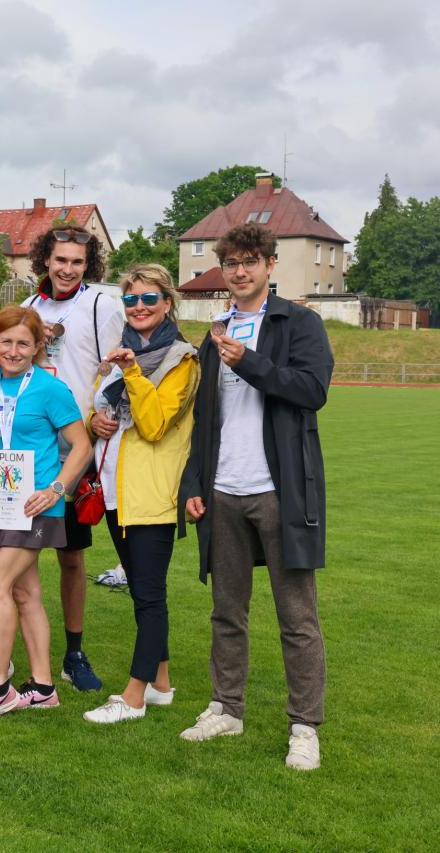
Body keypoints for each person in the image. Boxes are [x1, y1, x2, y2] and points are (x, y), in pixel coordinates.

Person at [179, 224, 333, 771]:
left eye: (250, 261)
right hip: (223, 491)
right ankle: (227, 708)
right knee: (227, 612)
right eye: (232, 263)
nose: (240, 271)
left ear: (270, 265)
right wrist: (194, 484)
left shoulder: (300, 323)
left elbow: (312, 391)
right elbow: (204, 418)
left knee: (297, 617)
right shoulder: (215, 331)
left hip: (280, 491)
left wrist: (250, 362)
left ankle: (304, 726)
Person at [0, 306, 92, 721]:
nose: (13, 351)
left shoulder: (50, 388)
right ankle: (44, 687)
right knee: (25, 593)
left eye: (23, 344)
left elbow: (82, 447)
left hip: (36, 504)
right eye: (6, 342)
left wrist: (56, 490)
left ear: (37, 348)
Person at [81, 264, 199, 723]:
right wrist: (94, 421)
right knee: (142, 593)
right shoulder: (117, 355)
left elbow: (153, 425)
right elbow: (98, 409)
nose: (140, 307)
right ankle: (161, 685)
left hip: (151, 495)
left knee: (149, 596)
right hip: (115, 492)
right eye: (131, 300)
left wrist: (131, 371)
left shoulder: (182, 361)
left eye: (150, 299)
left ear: (168, 303)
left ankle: (132, 697)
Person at [20, 223, 123, 691]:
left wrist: (103, 415)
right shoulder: (28, 307)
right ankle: (2, 650)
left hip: (76, 451)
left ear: (88, 265)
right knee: (15, 555)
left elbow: (117, 368)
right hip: (28, 450)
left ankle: (73, 653)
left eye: (77, 262)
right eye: (60, 260)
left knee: (71, 557)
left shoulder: (100, 304)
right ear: (46, 259)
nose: (67, 269)